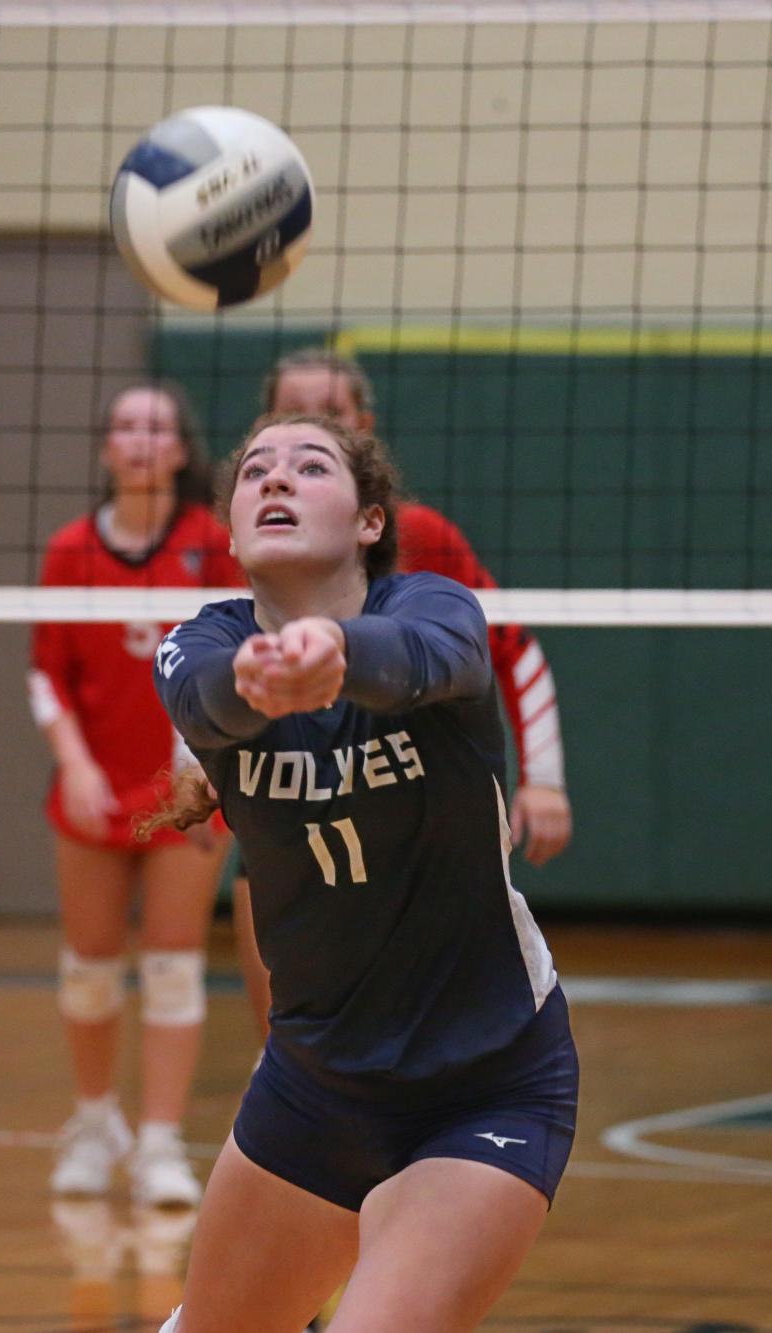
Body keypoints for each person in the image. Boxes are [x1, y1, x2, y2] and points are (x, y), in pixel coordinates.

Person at [147, 413, 579, 1333]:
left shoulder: (434, 608)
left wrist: (336, 656)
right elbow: (205, 698)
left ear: (370, 520)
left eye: (310, 467)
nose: (276, 480)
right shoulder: (197, 646)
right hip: (314, 1085)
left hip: (485, 1083)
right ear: (227, 530)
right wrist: (265, 679)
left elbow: (434, 657)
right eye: (256, 470)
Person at [235, 347, 574, 1040]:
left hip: (409, 801)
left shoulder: (425, 538)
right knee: (290, 1031)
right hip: (284, 799)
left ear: (363, 424)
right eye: (286, 413)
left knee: (420, 1027)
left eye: (328, 414)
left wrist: (545, 780)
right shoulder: (247, 536)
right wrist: (193, 770)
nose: (304, 429)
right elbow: (210, 660)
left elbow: (516, 649)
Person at [28, 380, 242, 1205]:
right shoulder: (69, 550)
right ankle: (93, 1123)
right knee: (88, 968)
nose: (141, 439)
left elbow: (224, 657)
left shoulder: (208, 543)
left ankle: (157, 1144)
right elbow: (46, 674)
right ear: (107, 447)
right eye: (126, 426)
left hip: (186, 787)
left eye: (157, 427)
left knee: (174, 968)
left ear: (181, 450)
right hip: (93, 789)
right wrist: (75, 764)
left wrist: (199, 761)